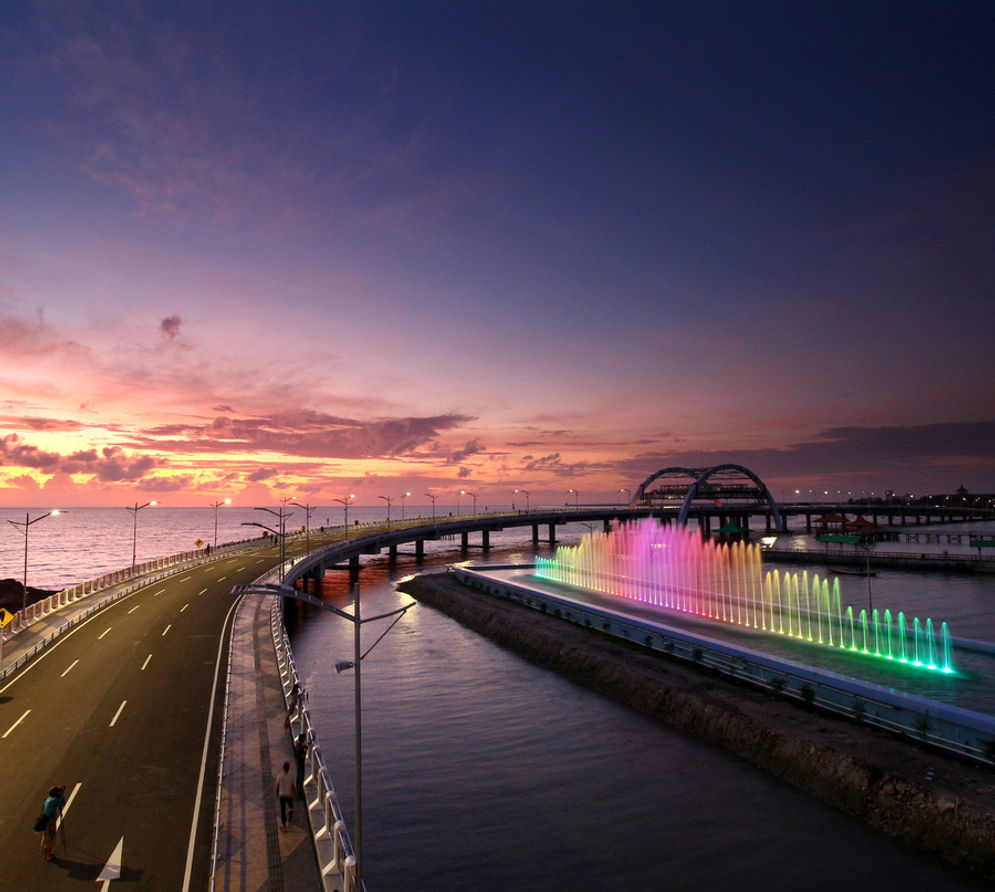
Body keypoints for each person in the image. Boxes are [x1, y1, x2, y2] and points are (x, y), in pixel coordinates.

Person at [41, 785, 66, 861]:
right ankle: (48, 856)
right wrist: (61, 795)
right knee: (50, 838)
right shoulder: (53, 801)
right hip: (50, 823)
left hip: (46, 821)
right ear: (55, 793)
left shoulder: (49, 799)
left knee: (46, 838)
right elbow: (62, 803)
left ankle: (47, 854)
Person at [275, 762, 295, 832]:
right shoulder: (291, 776)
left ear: (283, 768)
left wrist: (277, 793)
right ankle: (290, 815)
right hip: (289, 795)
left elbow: (277, 786)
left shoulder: (280, 776)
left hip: (282, 795)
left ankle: (284, 826)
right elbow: (293, 787)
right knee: (291, 806)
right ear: (288, 768)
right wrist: (295, 794)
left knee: (282, 810)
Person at [293, 733, 308, 800]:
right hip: (301, 764)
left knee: (298, 777)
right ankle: (299, 793)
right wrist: (305, 750)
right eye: (304, 739)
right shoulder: (301, 749)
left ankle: (298, 791)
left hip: (298, 764)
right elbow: (303, 756)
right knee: (301, 778)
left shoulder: (297, 746)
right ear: (302, 740)